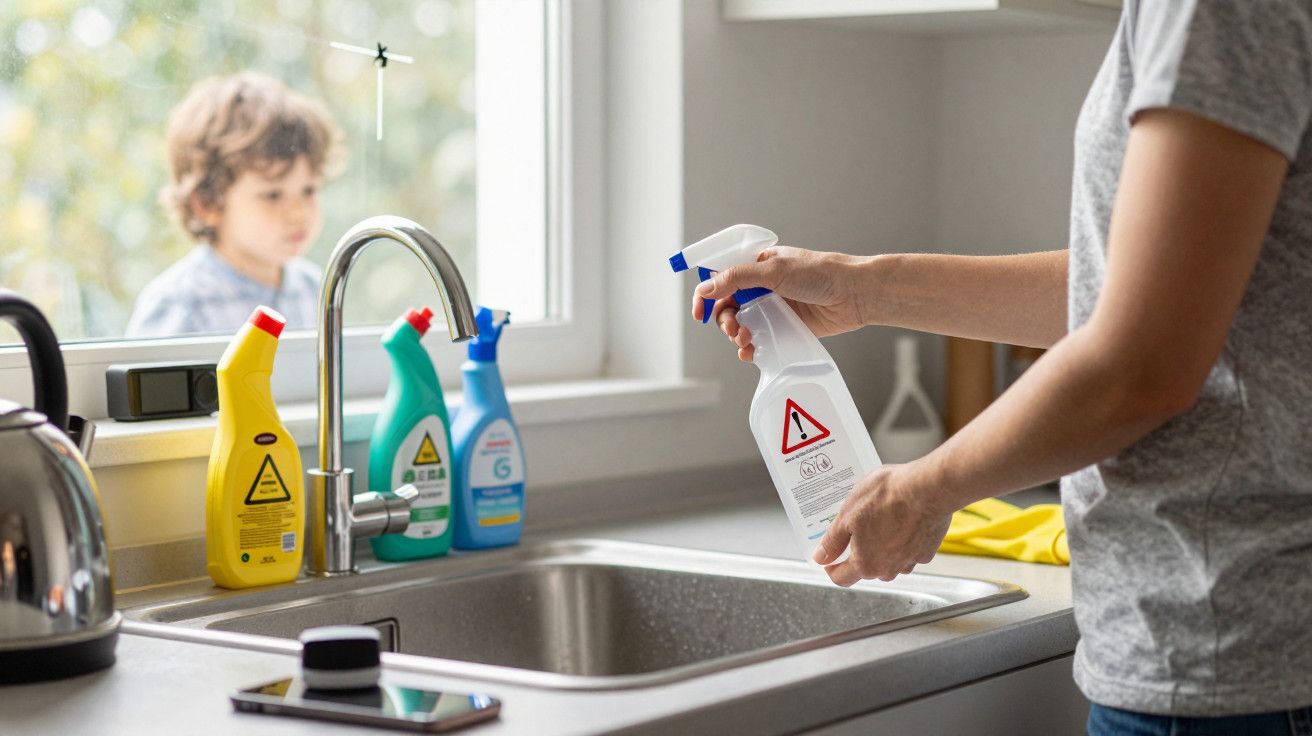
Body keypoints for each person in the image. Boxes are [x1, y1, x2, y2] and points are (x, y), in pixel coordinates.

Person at [696, 3, 1312, 733]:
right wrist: (859, 285)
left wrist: (929, 488)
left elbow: (1144, 360)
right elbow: (1134, 291)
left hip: (1227, 652)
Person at [125, 72, 343, 337]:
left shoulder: (314, 289)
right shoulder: (180, 304)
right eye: (273, 195)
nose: (299, 213)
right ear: (208, 204)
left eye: (309, 190)